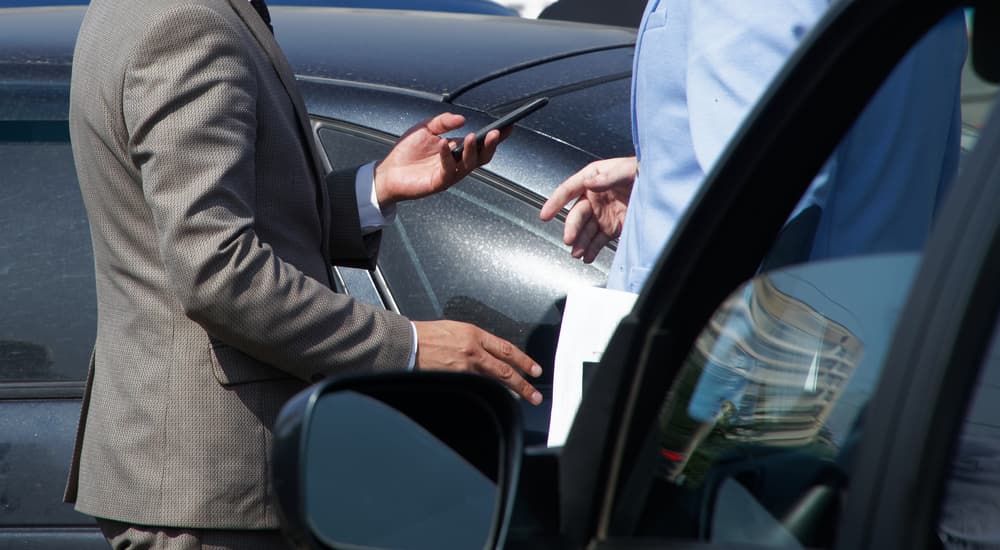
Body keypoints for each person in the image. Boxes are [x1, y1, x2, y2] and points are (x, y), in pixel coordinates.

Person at [65, 0, 542, 546]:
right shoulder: (188, 24)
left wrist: (374, 188)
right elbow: (218, 272)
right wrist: (408, 346)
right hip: (211, 487)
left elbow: (195, 227)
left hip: (200, 481)